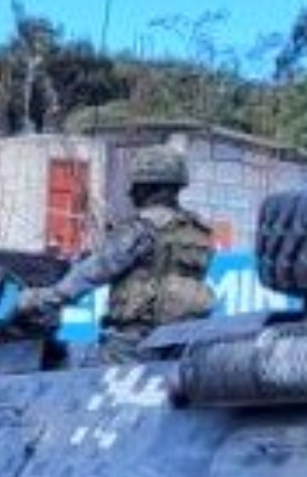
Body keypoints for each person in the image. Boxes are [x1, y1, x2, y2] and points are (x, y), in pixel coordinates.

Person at [14, 142, 216, 349]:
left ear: (150, 188)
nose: (131, 193)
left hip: (134, 343)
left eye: (136, 185)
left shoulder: (141, 228)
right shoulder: (199, 231)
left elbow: (94, 272)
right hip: (182, 342)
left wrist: (42, 299)